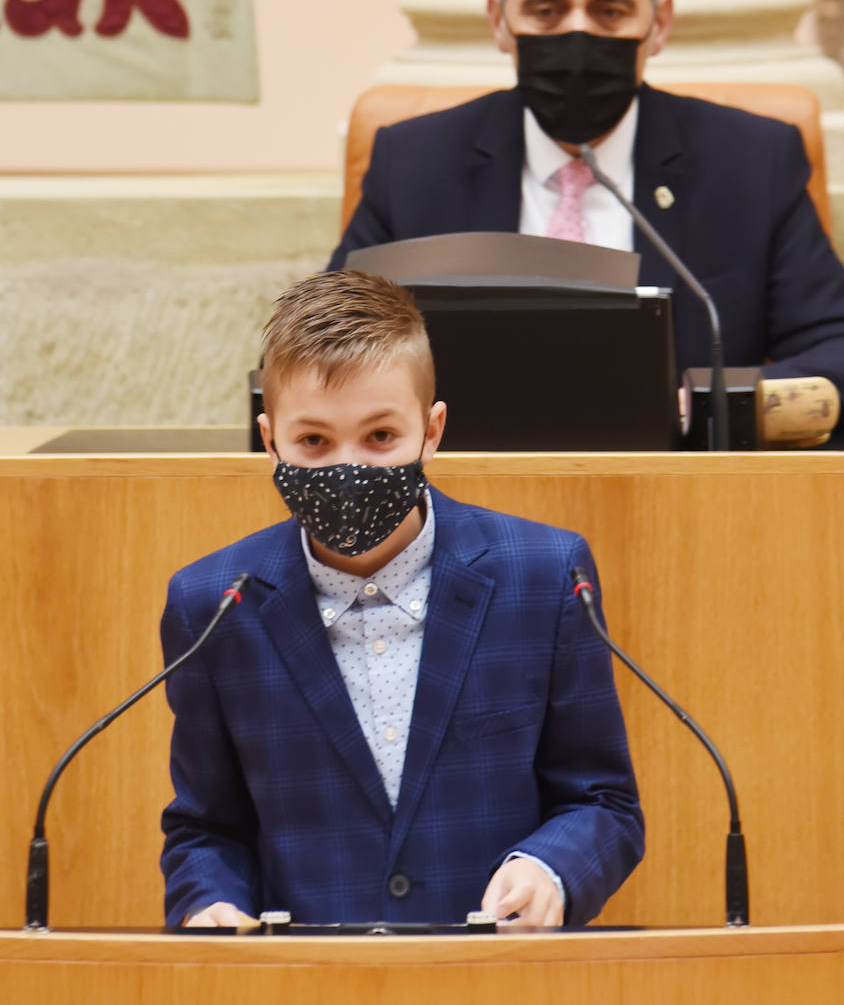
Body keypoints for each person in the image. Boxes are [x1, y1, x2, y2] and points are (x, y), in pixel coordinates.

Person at [160, 270, 643, 927]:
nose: (347, 467)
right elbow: (206, 830)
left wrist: (548, 868)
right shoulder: (212, 605)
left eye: (380, 437)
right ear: (269, 441)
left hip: (495, 979)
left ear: (432, 430)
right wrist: (210, 903)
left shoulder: (543, 576)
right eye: (314, 442)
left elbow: (602, 802)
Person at [330, 0, 844, 428]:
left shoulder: (749, 163)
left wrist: (701, 406)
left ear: (659, 24)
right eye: (547, 10)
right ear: (499, 21)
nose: (578, 35)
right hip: (465, 500)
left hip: (678, 496)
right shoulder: (415, 164)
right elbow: (321, 354)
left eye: (609, 11)